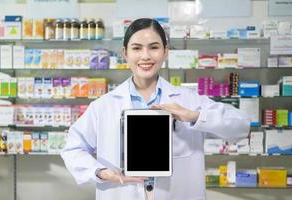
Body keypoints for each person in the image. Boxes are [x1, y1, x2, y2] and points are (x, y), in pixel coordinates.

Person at [61, 18, 251, 200]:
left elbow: (241, 125)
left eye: (154, 47)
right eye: (137, 48)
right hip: (122, 192)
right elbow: (72, 148)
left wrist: (193, 115)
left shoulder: (188, 101)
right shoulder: (103, 106)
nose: (145, 56)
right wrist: (101, 172)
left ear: (165, 52)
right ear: (125, 53)